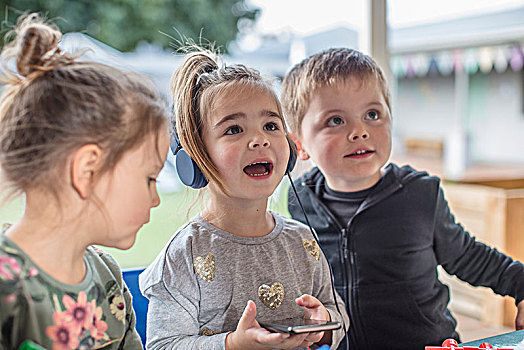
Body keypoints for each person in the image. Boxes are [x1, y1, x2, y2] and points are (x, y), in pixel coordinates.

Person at [280, 47, 524, 350]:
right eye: (335, 121)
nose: (359, 131)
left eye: (372, 115)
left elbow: (469, 257)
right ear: (299, 145)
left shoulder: (420, 194)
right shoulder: (299, 200)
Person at [139, 47, 348, 350]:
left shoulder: (303, 242)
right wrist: (233, 344)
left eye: (271, 126)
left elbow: (338, 317)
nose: (260, 139)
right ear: (196, 159)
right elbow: (163, 345)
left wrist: (322, 325)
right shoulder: (184, 255)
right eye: (234, 129)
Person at [0, 13, 170, 350]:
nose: (156, 199)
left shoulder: (108, 278)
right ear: (87, 170)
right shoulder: (6, 288)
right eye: (150, 178)